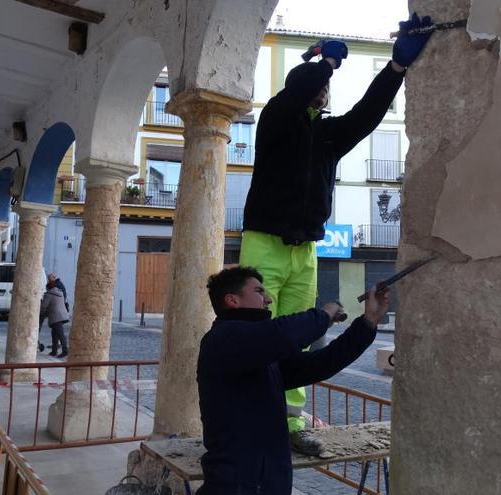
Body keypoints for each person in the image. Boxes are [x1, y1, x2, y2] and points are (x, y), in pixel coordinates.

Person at [239, 13, 433, 454]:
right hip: (264, 242)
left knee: (297, 343)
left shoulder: (328, 136)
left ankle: (288, 425)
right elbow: (298, 90)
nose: (324, 90)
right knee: (255, 336)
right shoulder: (275, 121)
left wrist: (395, 70)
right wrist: (322, 62)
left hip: (305, 249)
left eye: (325, 86)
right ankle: (247, 416)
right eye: (319, 85)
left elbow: (366, 114)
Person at [196, 266, 390, 494]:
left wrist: (367, 322)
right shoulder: (223, 339)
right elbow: (283, 334)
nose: (268, 299)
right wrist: (324, 315)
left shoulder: (261, 354)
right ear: (232, 300)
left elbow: (321, 363)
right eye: (259, 292)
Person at [40, 280, 69, 358]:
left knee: (60, 334)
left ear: (48, 288)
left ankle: (65, 350)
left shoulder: (48, 295)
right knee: (54, 334)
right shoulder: (60, 293)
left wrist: (41, 313)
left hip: (55, 316)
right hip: (62, 315)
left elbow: (43, 307)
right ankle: (54, 351)